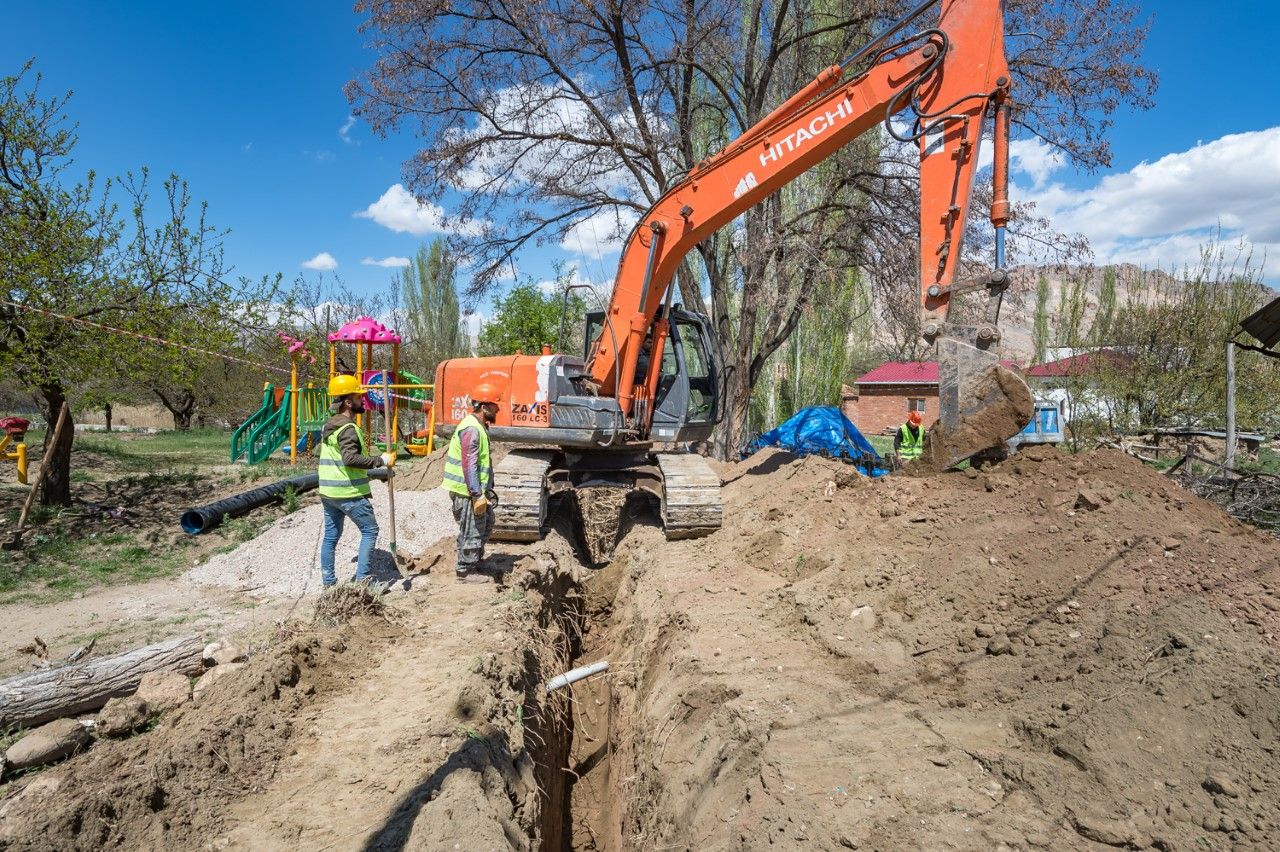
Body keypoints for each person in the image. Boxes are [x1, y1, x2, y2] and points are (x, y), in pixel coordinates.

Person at [318, 374, 395, 587]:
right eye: (358, 397)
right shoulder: (348, 429)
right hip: (348, 493)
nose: (363, 400)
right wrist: (381, 460)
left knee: (331, 537)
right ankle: (364, 582)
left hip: (328, 493)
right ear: (348, 402)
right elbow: (350, 459)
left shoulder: (328, 426)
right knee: (370, 530)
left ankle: (329, 582)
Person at [442, 382, 499, 584]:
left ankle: (474, 561)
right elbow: (469, 464)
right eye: (494, 405)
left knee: (486, 524)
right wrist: (476, 493)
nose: (497, 409)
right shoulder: (471, 429)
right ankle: (465, 571)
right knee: (472, 529)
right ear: (483, 407)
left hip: (474, 490)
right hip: (467, 492)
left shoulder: (478, 426)